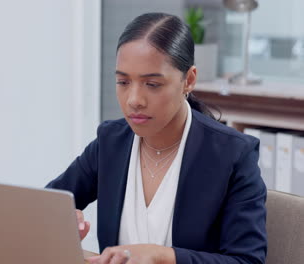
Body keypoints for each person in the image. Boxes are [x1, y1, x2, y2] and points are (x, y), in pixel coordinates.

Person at [46, 13, 267, 264]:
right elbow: (48, 204)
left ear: (189, 80)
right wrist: (60, 223)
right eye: (123, 82)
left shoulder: (233, 154)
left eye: (152, 84)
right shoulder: (111, 142)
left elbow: (247, 260)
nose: (134, 100)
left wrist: (164, 256)